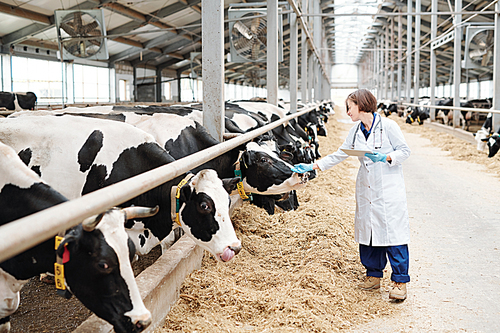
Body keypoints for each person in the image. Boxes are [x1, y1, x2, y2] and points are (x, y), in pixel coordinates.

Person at [292, 89, 411, 300]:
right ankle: (373, 276)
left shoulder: (389, 126)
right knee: (369, 235)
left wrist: (386, 157)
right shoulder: (356, 131)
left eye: (349, 107)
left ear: (362, 105)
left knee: (393, 236)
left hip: (388, 189)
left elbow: (404, 151)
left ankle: (399, 282)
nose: (347, 112)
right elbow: (340, 154)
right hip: (366, 187)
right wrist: (313, 166)